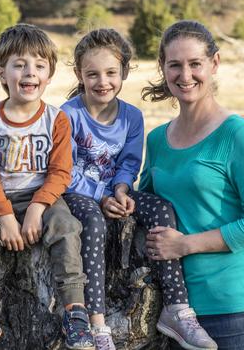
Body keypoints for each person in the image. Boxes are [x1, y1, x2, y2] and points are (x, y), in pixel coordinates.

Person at [61, 28, 216, 350]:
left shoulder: (132, 117)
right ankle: (97, 323)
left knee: (161, 208)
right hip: (77, 194)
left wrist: (120, 190)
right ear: (79, 74)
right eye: (92, 74)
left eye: (111, 73)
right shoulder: (67, 115)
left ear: (125, 72)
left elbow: (130, 164)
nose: (103, 82)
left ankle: (176, 308)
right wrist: (101, 197)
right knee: (93, 221)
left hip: (115, 191)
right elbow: (64, 170)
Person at [141, 20, 244, 350]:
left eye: (195, 64)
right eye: (174, 65)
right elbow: (143, 201)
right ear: (163, 67)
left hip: (236, 310)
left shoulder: (237, 134)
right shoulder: (158, 139)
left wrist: (185, 245)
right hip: (177, 316)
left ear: (214, 63)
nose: (185, 76)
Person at [0, 23, 94, 350]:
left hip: (43, 199)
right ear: (1, 73)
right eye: (19, 64)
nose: (29, 72)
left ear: (49, 75)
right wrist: (5, 216)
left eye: (39, 65)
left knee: (65, 226)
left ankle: (74, 310)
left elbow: (61, 172)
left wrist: (37, 208)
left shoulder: (56, 118)